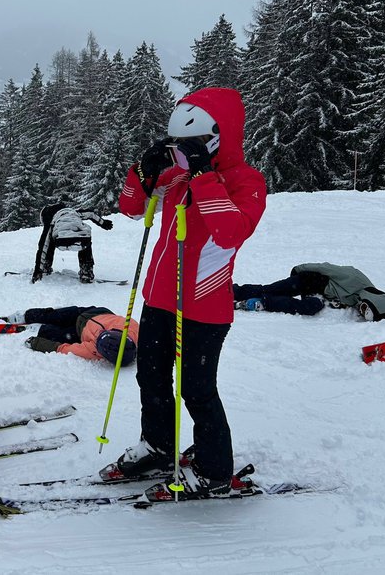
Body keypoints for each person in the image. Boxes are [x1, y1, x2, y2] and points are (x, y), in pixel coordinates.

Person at [109, 87, 267, 499]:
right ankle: (158, 447)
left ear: (217, 138)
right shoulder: (178, 176)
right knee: (151, 377)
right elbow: (130, 207)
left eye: (189, 145)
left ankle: (215, 471)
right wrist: (142, 171)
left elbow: (231, 231)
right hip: (159, 299)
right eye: (177, 145)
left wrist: (204, 176)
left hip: (204, 308)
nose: (181, 154)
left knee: (196, 390)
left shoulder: (247, 182)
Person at [233, 263, 385, 321]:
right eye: (365, 308)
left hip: (316, 294)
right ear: (375, 299)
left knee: (311, 307)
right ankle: (232, 291)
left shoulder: (358, 300)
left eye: (365, 314)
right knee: (270, 289)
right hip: (308, 280)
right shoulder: (355, 277)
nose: (361, 311)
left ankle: (264, 302)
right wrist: (299, 270)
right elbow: (326, 267)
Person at [7, 306, 139, 365]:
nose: (98, 335)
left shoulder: (93, 350)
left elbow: (63, 349)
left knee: (54, 333)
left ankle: (38, 329)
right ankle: (25, 315)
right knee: (55, 315)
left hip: (78, 331)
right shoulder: (132, 328)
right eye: (102, 334)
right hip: (92, 312)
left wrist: (37, 343)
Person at [32, 203, 113, 283]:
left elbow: (43, 246)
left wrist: (37, 270)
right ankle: (86, 272)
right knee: (84, 240)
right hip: (81, 239)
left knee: (50, 241)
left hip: (61, 240)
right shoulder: (73, 212)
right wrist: (103, 223)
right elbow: (91, 214)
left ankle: (45, 267)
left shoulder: (51, 219)